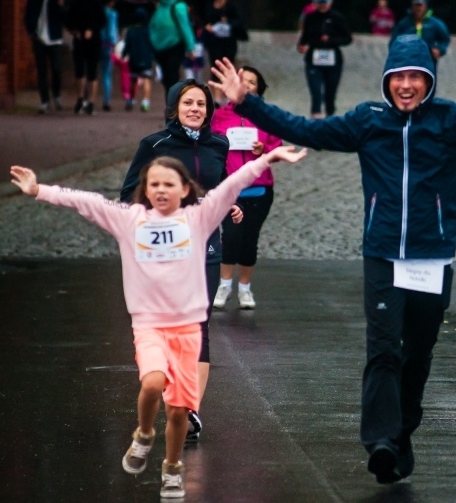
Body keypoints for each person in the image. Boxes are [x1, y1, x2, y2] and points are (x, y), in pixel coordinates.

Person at [209, 35, 456, 483]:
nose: (406, 84)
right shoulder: (368, 120)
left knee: (417, 355)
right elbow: (305, 129)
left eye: (415, 76)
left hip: (432, 259)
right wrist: (248, 103)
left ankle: (401, 435)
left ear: (429, 80)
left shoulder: (452, 120)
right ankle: (379, 441)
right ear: (387, 79)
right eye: (398, 76)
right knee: (383, 350)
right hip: (382, 255)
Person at [10, 149, 305, 499]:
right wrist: (38, 189)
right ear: (145, 189)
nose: (161, 190)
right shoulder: (129, 220)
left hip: (188, 329)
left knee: (179, 411)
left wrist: (267, 159)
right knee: (152, 383)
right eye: (154, 184)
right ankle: (144, 434)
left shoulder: (197, 218)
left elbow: (230, 186)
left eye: (169, 184)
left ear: (185, 189)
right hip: (149, 325)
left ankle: (172, 469)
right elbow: (86, 201)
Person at [120, 79, 230, 442]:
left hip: (206, 244)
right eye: (188, 103)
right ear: (174, 108)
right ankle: (169, 389)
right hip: (165, 247)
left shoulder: (219, 144)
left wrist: (231, 205)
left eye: (201, 104)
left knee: (200, 322)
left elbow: (223, 186)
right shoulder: (154, 145)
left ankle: (189, 408)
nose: (195, 109)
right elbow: (129, 194)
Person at [210, 66, 282, 310]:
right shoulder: (219, 116)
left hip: (259, 191)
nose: (247, 84)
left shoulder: (266, 116)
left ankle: (245, 288)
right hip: (229, 189)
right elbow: (209, 145)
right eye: (243, 80)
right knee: (230, 237)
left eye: (252, 82)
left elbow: (278, 148)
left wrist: (265, 150)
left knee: (250, 240)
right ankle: (224, 285)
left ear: (259, 89)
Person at [297, 0, 352, 118]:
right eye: (320, 2)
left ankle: (329, 120)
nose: (322, 5)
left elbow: (347, 38)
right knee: (316, 93)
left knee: (330, 94)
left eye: (325, 2)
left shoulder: (337, 18)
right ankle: (315, 122)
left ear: (331, 1)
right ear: (315, 2)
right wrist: (301, 46)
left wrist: (331, 40)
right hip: (314, 61)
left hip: (333, 62)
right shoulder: (310, 18)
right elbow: (304, 37)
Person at [23, 0, 66, 114]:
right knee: (41, 70)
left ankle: (57, 95)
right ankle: (44, 101)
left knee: (57, 68)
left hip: (54, 38)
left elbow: (64, 17)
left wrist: (61, 6)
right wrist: (31, 32)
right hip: (39, 38)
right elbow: (27, 16)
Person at [149, 0, 195, 103]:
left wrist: (190, 47)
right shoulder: (160, 7)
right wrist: (153, 41)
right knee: (166, 77)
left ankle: (174, 103)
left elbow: (185, 27)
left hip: (175, 45)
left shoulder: (178, 7)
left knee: (172, 74)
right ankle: (170, 102)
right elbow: (153, 26)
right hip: (160, 47)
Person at [66, 0, 106, 115]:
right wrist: (74, 31)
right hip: (79, 41)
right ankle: (80, 99)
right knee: (79, 70)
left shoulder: (96, 3)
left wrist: (92, 30)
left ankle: (91, 102)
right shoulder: (75, 4)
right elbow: (69, 21)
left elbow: (102, 21)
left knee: (92, 71)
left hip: (93, 41)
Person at [202, 0, 244, 107]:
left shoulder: (232, 6)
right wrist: (208, 26)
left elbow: (239, 21)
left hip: (229, 41)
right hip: (214, 41)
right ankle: (217, 97)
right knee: (215, 66)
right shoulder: (209, 5)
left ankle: (229, 95)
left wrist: (229, 23)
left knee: (228, 65)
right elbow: (205, 20)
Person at [389, 0, 450, 67]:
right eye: (416, 5)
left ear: (426, 5)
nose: (418, 8)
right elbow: (394, 43)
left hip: (428, 62)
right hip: (407, 63)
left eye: (420, 5)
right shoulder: (403, 24)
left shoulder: (435, 24)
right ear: (412, 5)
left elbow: (445, 39)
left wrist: (439, 49)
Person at [122, 7, 154, 112]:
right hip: (146, 58)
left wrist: (123, 54)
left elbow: (127, 45)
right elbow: (153, 44)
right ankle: (145, 102)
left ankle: (131, 100)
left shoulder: (131, 31)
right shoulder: (148, 30)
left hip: (134, 58)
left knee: (133, 80)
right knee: (146, 79)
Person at [100, 0, 119, 112]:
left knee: (91, 74)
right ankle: (106, 101)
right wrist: (114, 44)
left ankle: (87, 99)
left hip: (97, 44)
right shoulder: (112, 14)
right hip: (107, 45)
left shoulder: (97, 12)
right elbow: (112, 31)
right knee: (106, 74)